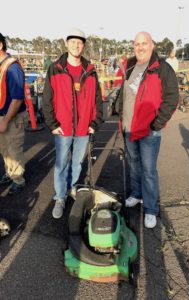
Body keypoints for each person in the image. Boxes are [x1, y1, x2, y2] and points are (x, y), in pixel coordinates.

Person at [118, 32, 179, 228]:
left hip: (149, 131)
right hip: (128, 128)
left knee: (149, 171)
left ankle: (151, 208)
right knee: (134, 165)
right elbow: (124, 93)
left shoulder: (162, 68)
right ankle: (137, 194)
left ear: (152, 45)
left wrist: (157, 123)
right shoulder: (129, 65)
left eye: (144, 43)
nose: (140, 47)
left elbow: (172, 98)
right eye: (137, 44)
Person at [43, 28, 103, 219]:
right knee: (61, 164)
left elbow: (97, 99)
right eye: (73, 42)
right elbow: (47, 98)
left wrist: (95, 121)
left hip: (84, 127)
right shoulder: (55, 68)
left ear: (83, 45)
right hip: (63, 127)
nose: (76, 45)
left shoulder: (91, 71)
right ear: (66, 43)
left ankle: (72, 187)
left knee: (77, 162)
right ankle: (60, 197)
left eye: (80, 43)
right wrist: (52, 123)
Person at [0, 33, 27, 195]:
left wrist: (5, 121)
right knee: (4, 149)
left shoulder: (12, 67)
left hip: (12, 117)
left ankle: (18, 180)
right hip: (2, 115)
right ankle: (10, 173)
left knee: (14, 149)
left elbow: (17, 99)